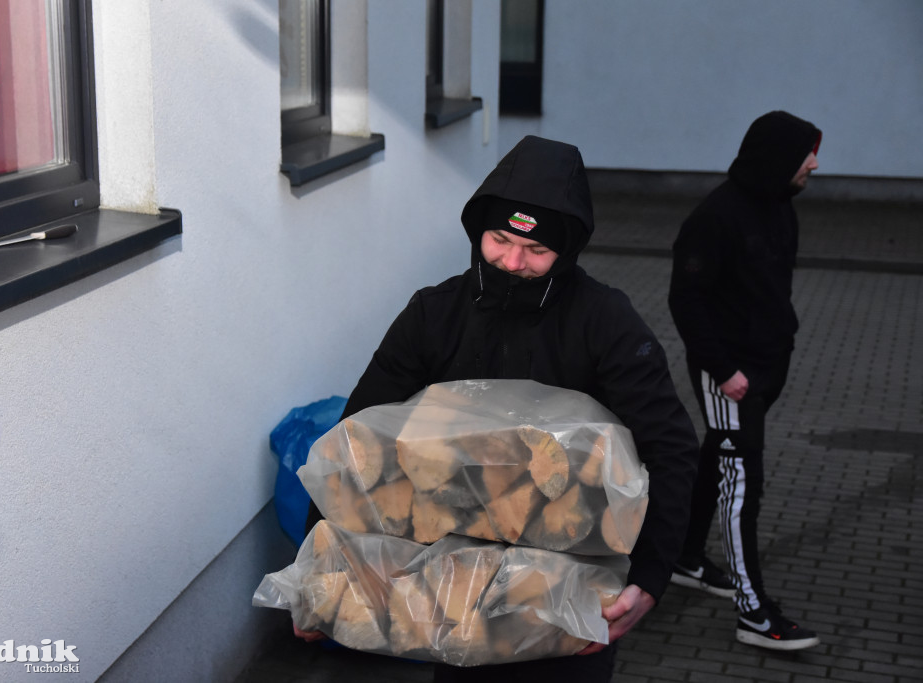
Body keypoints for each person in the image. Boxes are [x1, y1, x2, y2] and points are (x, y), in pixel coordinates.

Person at [299, 135, 700, 681]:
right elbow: (354, 446)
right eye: (499, 239)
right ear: (477, 231)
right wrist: (318, 574)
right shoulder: (433, 315)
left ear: (568, 249)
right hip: (449, 594)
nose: (513, 262)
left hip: (565, 597)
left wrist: (651, 578)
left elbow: (671, 448)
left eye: (537, 251)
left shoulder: (605, 323)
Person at [667, 111, 822, 651]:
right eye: (808, 153)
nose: (815, 164)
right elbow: (685, 299)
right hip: (730, 375)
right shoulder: (715, 218)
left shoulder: (780, 209)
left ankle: (684, 558)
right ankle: (753, 612)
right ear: (780, 156)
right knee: (742, 486)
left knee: (719, 459)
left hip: (765, 368)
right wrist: (725, 372)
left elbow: (769, 292)